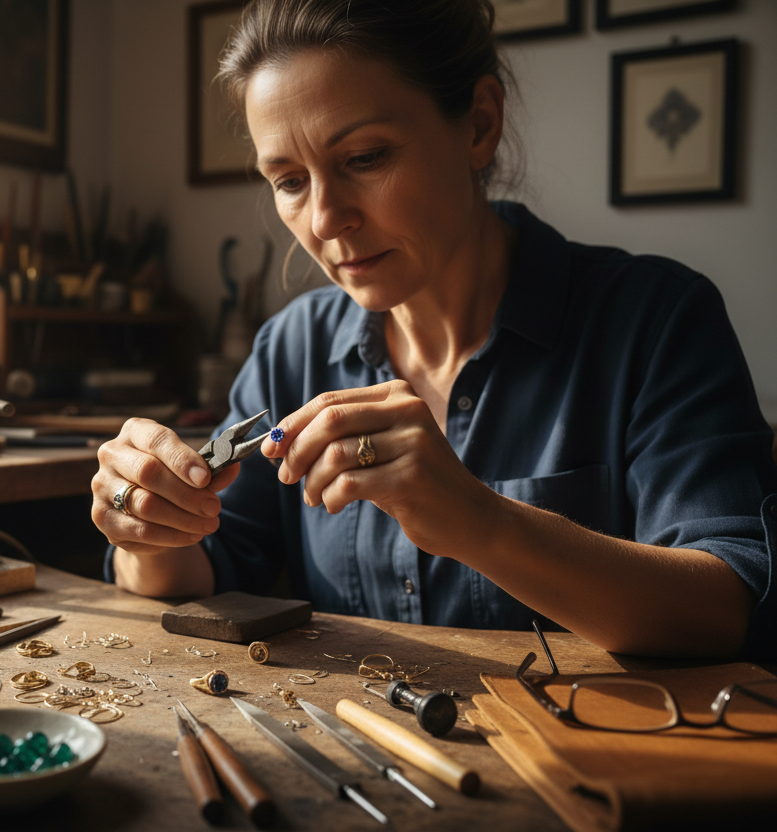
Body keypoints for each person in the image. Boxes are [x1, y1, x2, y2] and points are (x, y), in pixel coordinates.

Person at [91, 0, 777, 659]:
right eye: (290, 180)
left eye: (364, 158)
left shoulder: (656, 321)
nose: (326, 221)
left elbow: (730, 605)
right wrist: (151, 534)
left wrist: (482, 522)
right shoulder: (290, 349)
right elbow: (212, 569)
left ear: (478, 124)